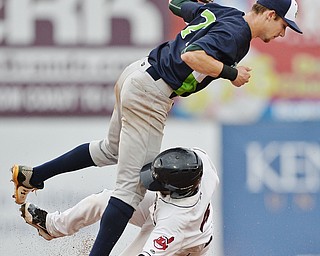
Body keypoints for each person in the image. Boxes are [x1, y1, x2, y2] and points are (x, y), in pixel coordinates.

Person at [11, 0, 302, 255]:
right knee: (130, 192)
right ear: (270, 14)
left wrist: (201, 3)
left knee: (111, 149)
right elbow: (192, 56)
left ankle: (35, 175)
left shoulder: (226, 13)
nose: (282, 33)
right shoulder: (237, 34)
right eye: (284, 25)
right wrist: (232, 73)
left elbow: (176, 4)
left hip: (137, 74)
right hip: (153, 93)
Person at [20, 147, 219, 255]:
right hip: (164, 211)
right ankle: (52, 226)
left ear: (175, 189)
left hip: (184, 247)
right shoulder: (200, 163)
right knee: (108, 200)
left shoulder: (173, 225)